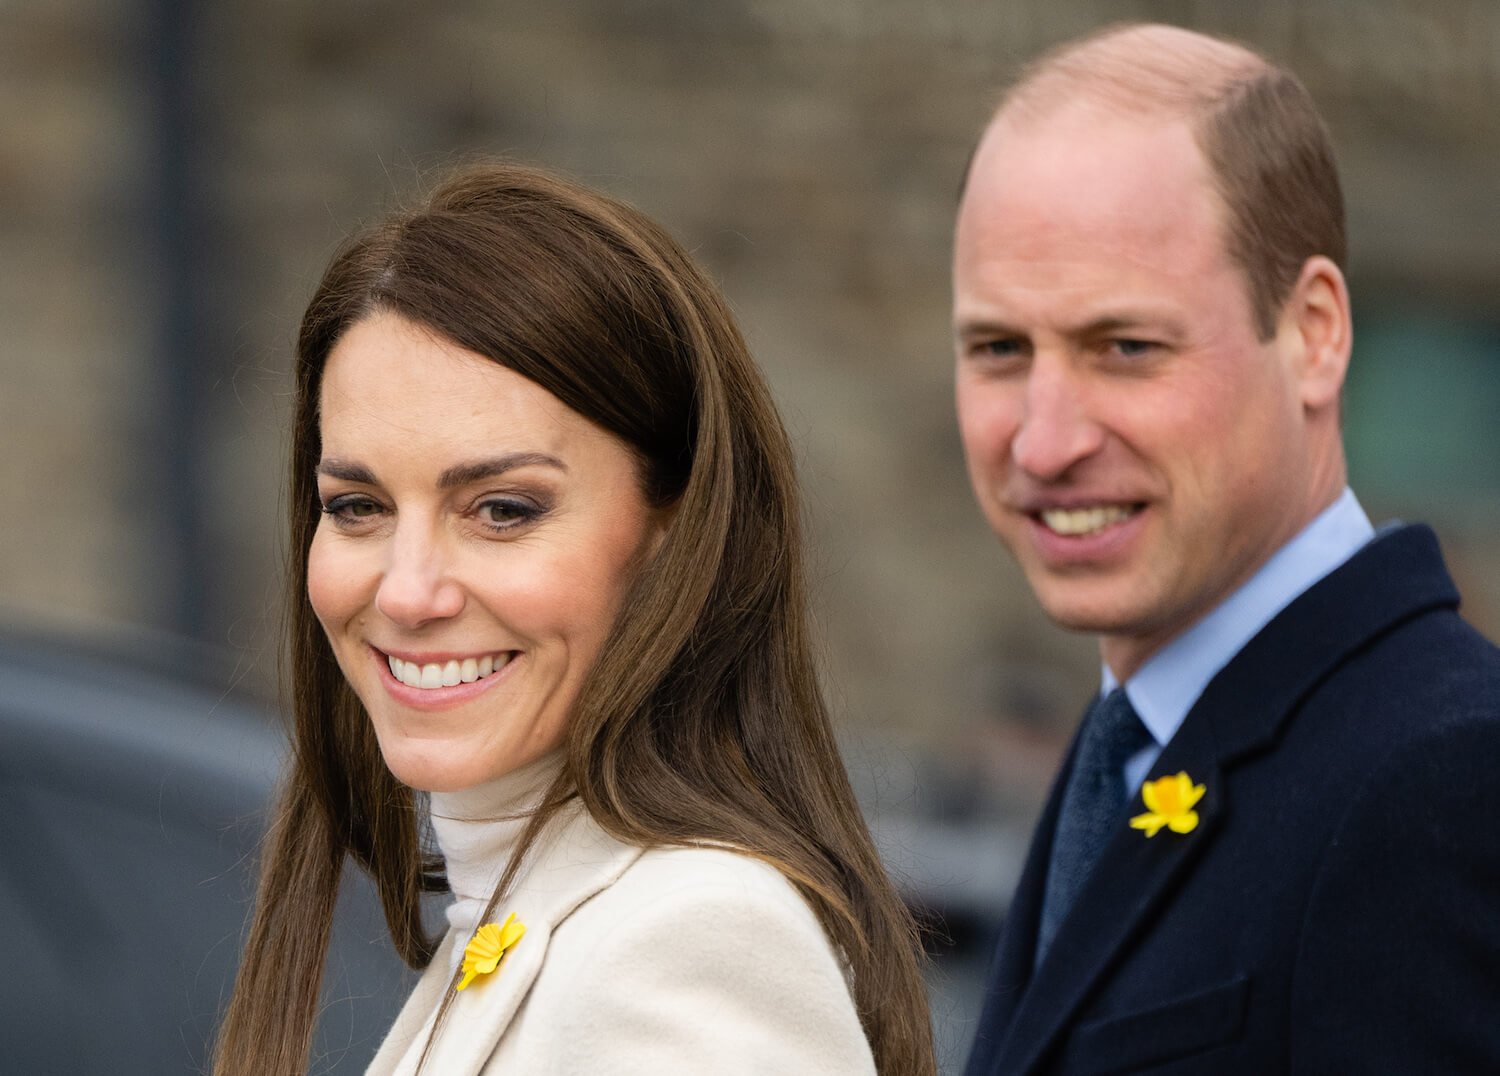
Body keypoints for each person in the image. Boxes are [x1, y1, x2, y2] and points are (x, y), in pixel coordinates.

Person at [213, 161, 935, 1075]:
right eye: (359, 507)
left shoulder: (687, 940)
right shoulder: (539, 915)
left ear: (674, 530)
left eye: (504, 510)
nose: (406, 592)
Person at [953, 22, 1500, 1075]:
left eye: (1126, 347)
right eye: (999, 349)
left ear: (1314, 334)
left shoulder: (1442, 781)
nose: (1046, 438)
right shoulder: (1135, 741)